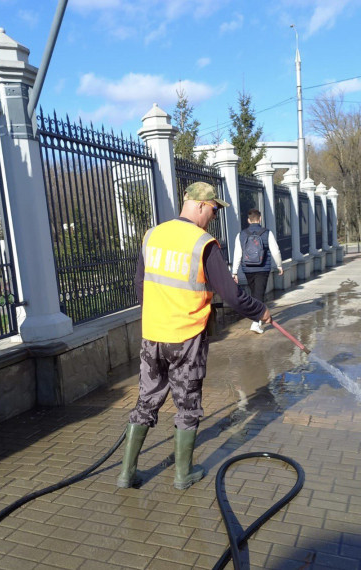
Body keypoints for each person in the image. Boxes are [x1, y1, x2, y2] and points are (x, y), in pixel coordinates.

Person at [117, 182, 271, 491]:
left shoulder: (152, 235)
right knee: (187, 404)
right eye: (214, 209)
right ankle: (182, 475)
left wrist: (157, 313)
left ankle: (126, 474)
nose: (214, 216)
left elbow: (140, 284)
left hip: (153, 335)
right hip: (186, 338)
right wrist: (260, 311)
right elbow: (231, 294)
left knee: (147, 400)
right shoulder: (204, 243)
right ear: (200, 205)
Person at [232, 208, 283, 334]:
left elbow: (237, 254)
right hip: (262, 268)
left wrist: (234, 272)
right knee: (259, 294)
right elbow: (275, 250)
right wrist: (279, 265)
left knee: (255, 294)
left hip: (247, 268)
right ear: (260, 219)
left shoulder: (241, 234)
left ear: (248, 220)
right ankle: (256, 322)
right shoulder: (267, 233)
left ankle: (257, 321)